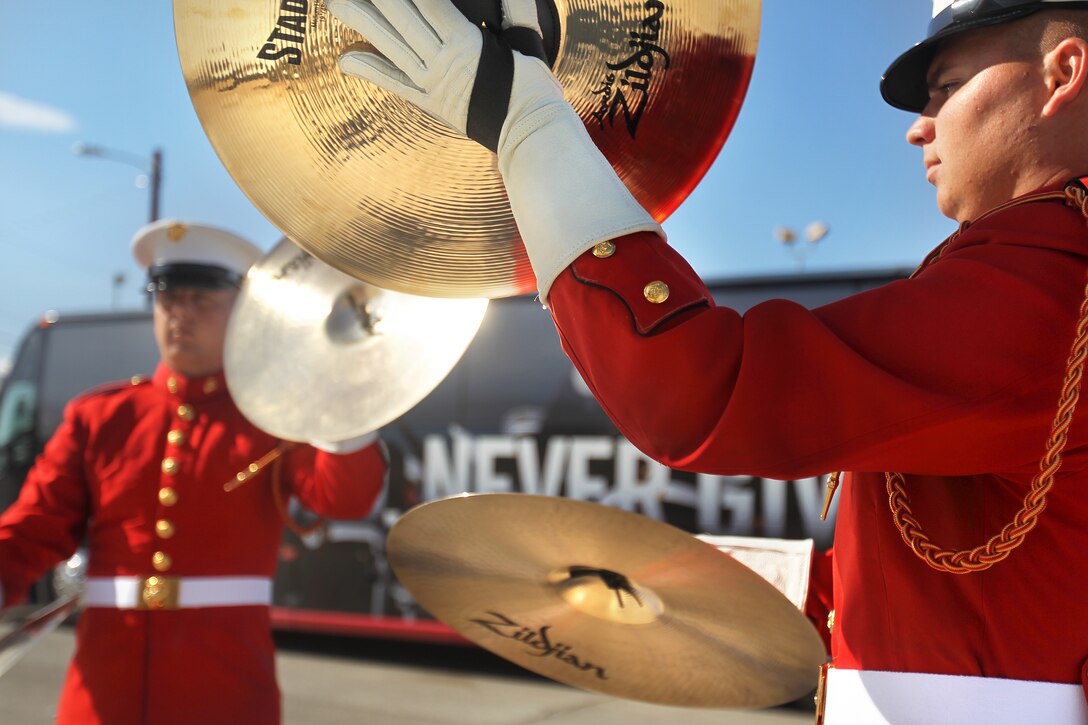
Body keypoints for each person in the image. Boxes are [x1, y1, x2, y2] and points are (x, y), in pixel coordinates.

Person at [326, 0, 1088, 722]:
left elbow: (700, 391)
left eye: (946, 87)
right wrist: (709, 579)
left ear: (1063, 71)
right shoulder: (1037, 264)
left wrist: (529, 129)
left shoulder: (1051, 279)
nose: (919, 128)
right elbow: (963, 581)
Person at [0, 219, 388, 724]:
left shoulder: (274, 415)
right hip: (101, 696)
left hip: (223, 695)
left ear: (241, 309)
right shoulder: (100, 417)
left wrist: (345, 396)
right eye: (168, 298)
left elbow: (344, 499)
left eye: (201, 299)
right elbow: (33, 529)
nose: (181, 312)